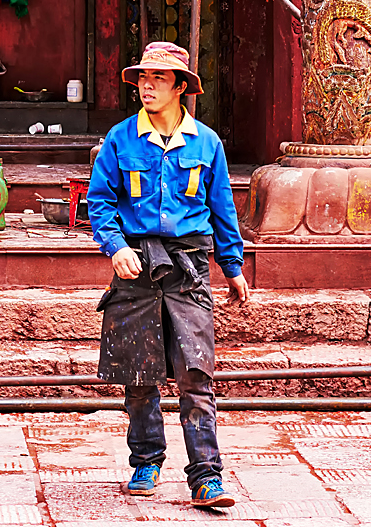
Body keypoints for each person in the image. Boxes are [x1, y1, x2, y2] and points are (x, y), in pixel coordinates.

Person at [84, 41, 248, 510]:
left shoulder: (207, 143)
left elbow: (222, 208)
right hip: (135, 266)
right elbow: (100, 202)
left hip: (188, 269)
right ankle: (145, 461)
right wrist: (116, 247)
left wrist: (232, 267)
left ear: (180, 87)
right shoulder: (120, 139)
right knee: (139, 375)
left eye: (158, 78)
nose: (147, 85)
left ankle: (206, 476)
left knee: (195, 374)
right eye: (143, 77)